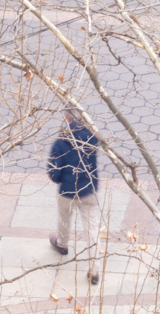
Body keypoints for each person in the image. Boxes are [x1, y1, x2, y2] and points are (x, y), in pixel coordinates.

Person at [47, 111, 103, 282]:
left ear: (66, 118)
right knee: (92, 229)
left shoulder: (60, 142)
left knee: (64, 218)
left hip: (67, 191)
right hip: (89, 190)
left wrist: (60, 178)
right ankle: (94, 271)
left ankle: (62, 245)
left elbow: (53, 173)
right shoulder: (92, 137)